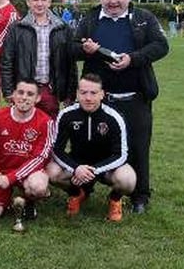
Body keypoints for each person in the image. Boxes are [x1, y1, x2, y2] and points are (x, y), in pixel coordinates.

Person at [73, 0, 168, 213]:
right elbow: (71, 47)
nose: (113, 1)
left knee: (138, 147)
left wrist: (133, 59)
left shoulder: (143, 18)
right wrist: (84, 50)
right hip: (99, 101)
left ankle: (139, 196)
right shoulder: (91, 19)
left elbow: (161, 45)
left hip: (135, 97)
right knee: (91, 145)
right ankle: (86, 189)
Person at [46, 74, 136, 222]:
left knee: (128, 179)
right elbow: (57, 150)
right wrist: (76, 168)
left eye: (93, 93)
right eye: (83, 92)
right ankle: (76, 193)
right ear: (77, 93)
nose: (88, 98)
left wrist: (94, 170)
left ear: (102, 94)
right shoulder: (66, 115)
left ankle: (115, 199)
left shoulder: (114, 117)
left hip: (105, 166)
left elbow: (121, 154)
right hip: (77, 163)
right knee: (51, 172)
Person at [0, 80, 54, 223]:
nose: (24, 97)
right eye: (20, 92)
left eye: (30, 94)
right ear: (13, 94)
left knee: (38, 186)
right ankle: (10, 200)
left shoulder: (46, 122)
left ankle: (29, 202)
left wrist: (11, 178)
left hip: (28, 173)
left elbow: (40, 157)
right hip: (0, 173)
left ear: (37, 98)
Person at [0, 0, 77, 118]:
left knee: (49, 129)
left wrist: (70, 94)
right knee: (23, 129)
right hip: (24, 88)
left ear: (49, 2)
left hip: (50, 89)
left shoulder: (63, 28)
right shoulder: (17, 28)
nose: (39, 4)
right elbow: (7, 61)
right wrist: (8, 91)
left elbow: (70, 63)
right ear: (28, 2)